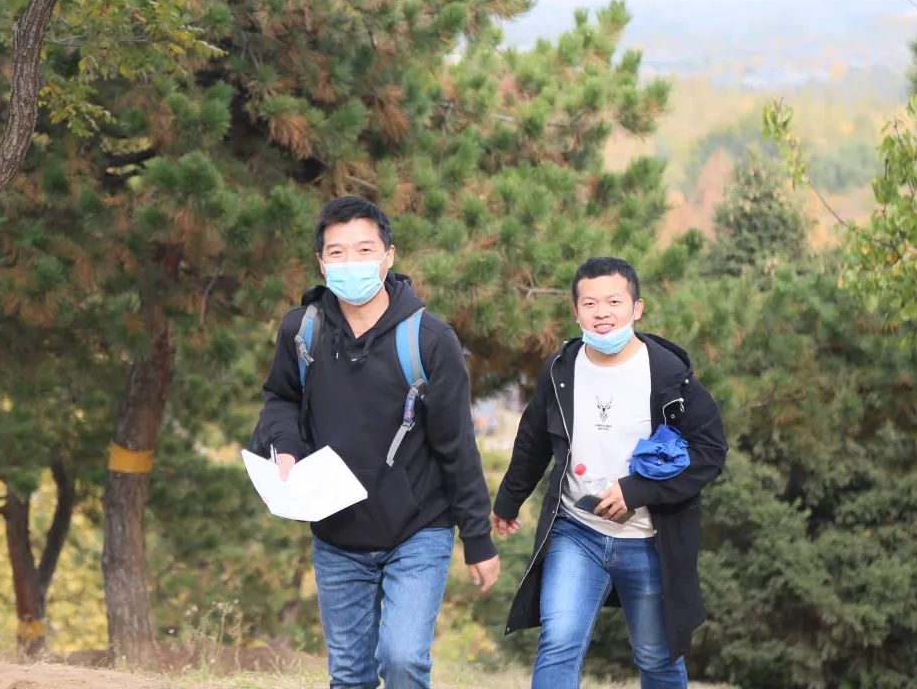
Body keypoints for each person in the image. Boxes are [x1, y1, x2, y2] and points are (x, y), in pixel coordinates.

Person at [257, 196, 500, 689]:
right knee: (350, 674)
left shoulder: (430, 340)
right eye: (337, 252)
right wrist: (285, 445)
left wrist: (477, 539)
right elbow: (281, 398)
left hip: (419, 529)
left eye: (364, 249)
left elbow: (457, 446)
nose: (351, 263)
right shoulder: (302, 331)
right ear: (322, 263)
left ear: (389, 256)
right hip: (337, 531)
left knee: (403, 659)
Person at [491, 257, 727, 689]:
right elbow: (532, 440)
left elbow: (710, 452)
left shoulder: (669, 374)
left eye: (614, 302)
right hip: (576, 531)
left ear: (637, 308)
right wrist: (508, 501)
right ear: (575, 311)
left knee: (656, 657)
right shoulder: (561, 369)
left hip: (650, 540)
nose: (602, 313)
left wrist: (638, 490)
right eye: (590, 303)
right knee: (559, 641)